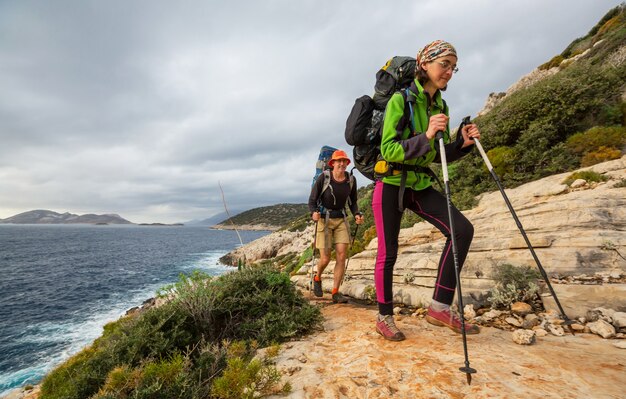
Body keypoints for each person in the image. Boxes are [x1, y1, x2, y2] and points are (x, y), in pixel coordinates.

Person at [373, 40, 482, 341]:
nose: (449, 72)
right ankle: (384, 316)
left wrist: (461, 144)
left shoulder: (440, 105)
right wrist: (427, 134)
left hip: (419, 184)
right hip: (392, 184)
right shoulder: (401, 100)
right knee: (388, 252)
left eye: (453, 66)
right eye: (444, 64)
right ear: (425, 64)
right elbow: (389, 149)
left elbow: (437, 154)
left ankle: (440, 307)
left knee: (462, 230)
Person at [308, 149, 364, 303]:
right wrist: (313, 212)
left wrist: (357, 214)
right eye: (338, 161)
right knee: (325, 258)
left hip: (341, 219)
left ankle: (335, 292)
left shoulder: (350, 180)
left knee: (341, 255)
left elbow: (352, 202)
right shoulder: (324, 178)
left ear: (347, 163)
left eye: (343, 161)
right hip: (324, 220)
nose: (341, 164)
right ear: (332, 164)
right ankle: (317, 276)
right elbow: (312, 200)